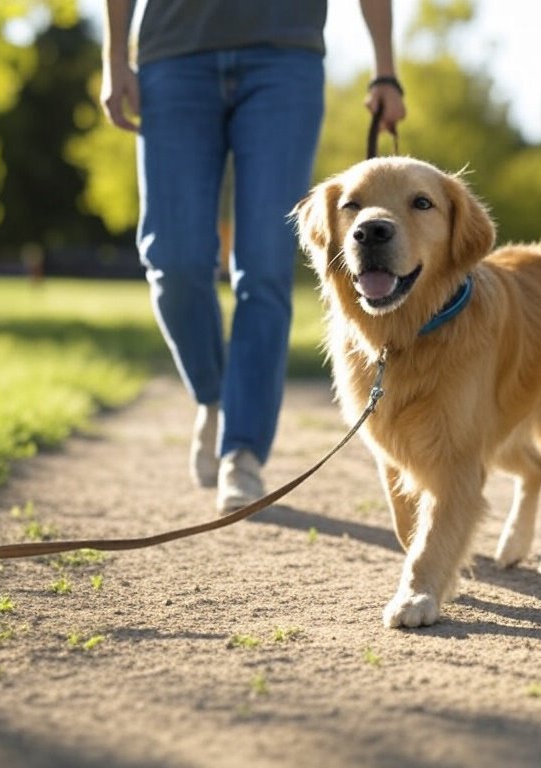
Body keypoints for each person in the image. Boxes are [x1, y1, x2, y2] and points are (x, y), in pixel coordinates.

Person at [100, 1, 406, 513]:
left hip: (284, 59)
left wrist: (386, 71)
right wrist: (114, 58)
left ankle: (242, 452)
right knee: (173, 259)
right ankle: (214, 396)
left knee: (263, 267)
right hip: (173, 56)